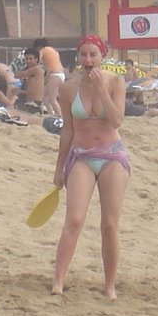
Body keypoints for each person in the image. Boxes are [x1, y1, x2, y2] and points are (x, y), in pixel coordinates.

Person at [52, 35, 130, 300]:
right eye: (83, 55)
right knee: (74, 219)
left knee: (109, 224)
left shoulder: (116, 83)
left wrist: (99, 89)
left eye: (93, 55)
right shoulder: (69, 88)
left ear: (102, 57)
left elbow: (117, 119)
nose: (87, 60)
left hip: (112, 156)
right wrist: (59, 169)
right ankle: (58, 281)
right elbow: (67, 130)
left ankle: (109, 285)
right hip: (82, 155)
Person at [33, 37, 65, 117]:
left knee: (52, 99)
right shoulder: (53, 50)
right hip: (60, 74)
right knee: (45, 97)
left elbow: (37, 61)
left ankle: (60, 115)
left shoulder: (43, 50)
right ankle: (52, 114)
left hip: (55, 75)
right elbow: (50, 66)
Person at [15, 47, 46, 113]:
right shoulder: (32, 71)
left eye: (30, 59)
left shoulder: (36, 69)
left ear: (36, 59)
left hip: (35, 104)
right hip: (31, 102)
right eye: (26, 59)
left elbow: (17, 75)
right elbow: (31, 91)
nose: (28, 61)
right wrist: (20, 91)